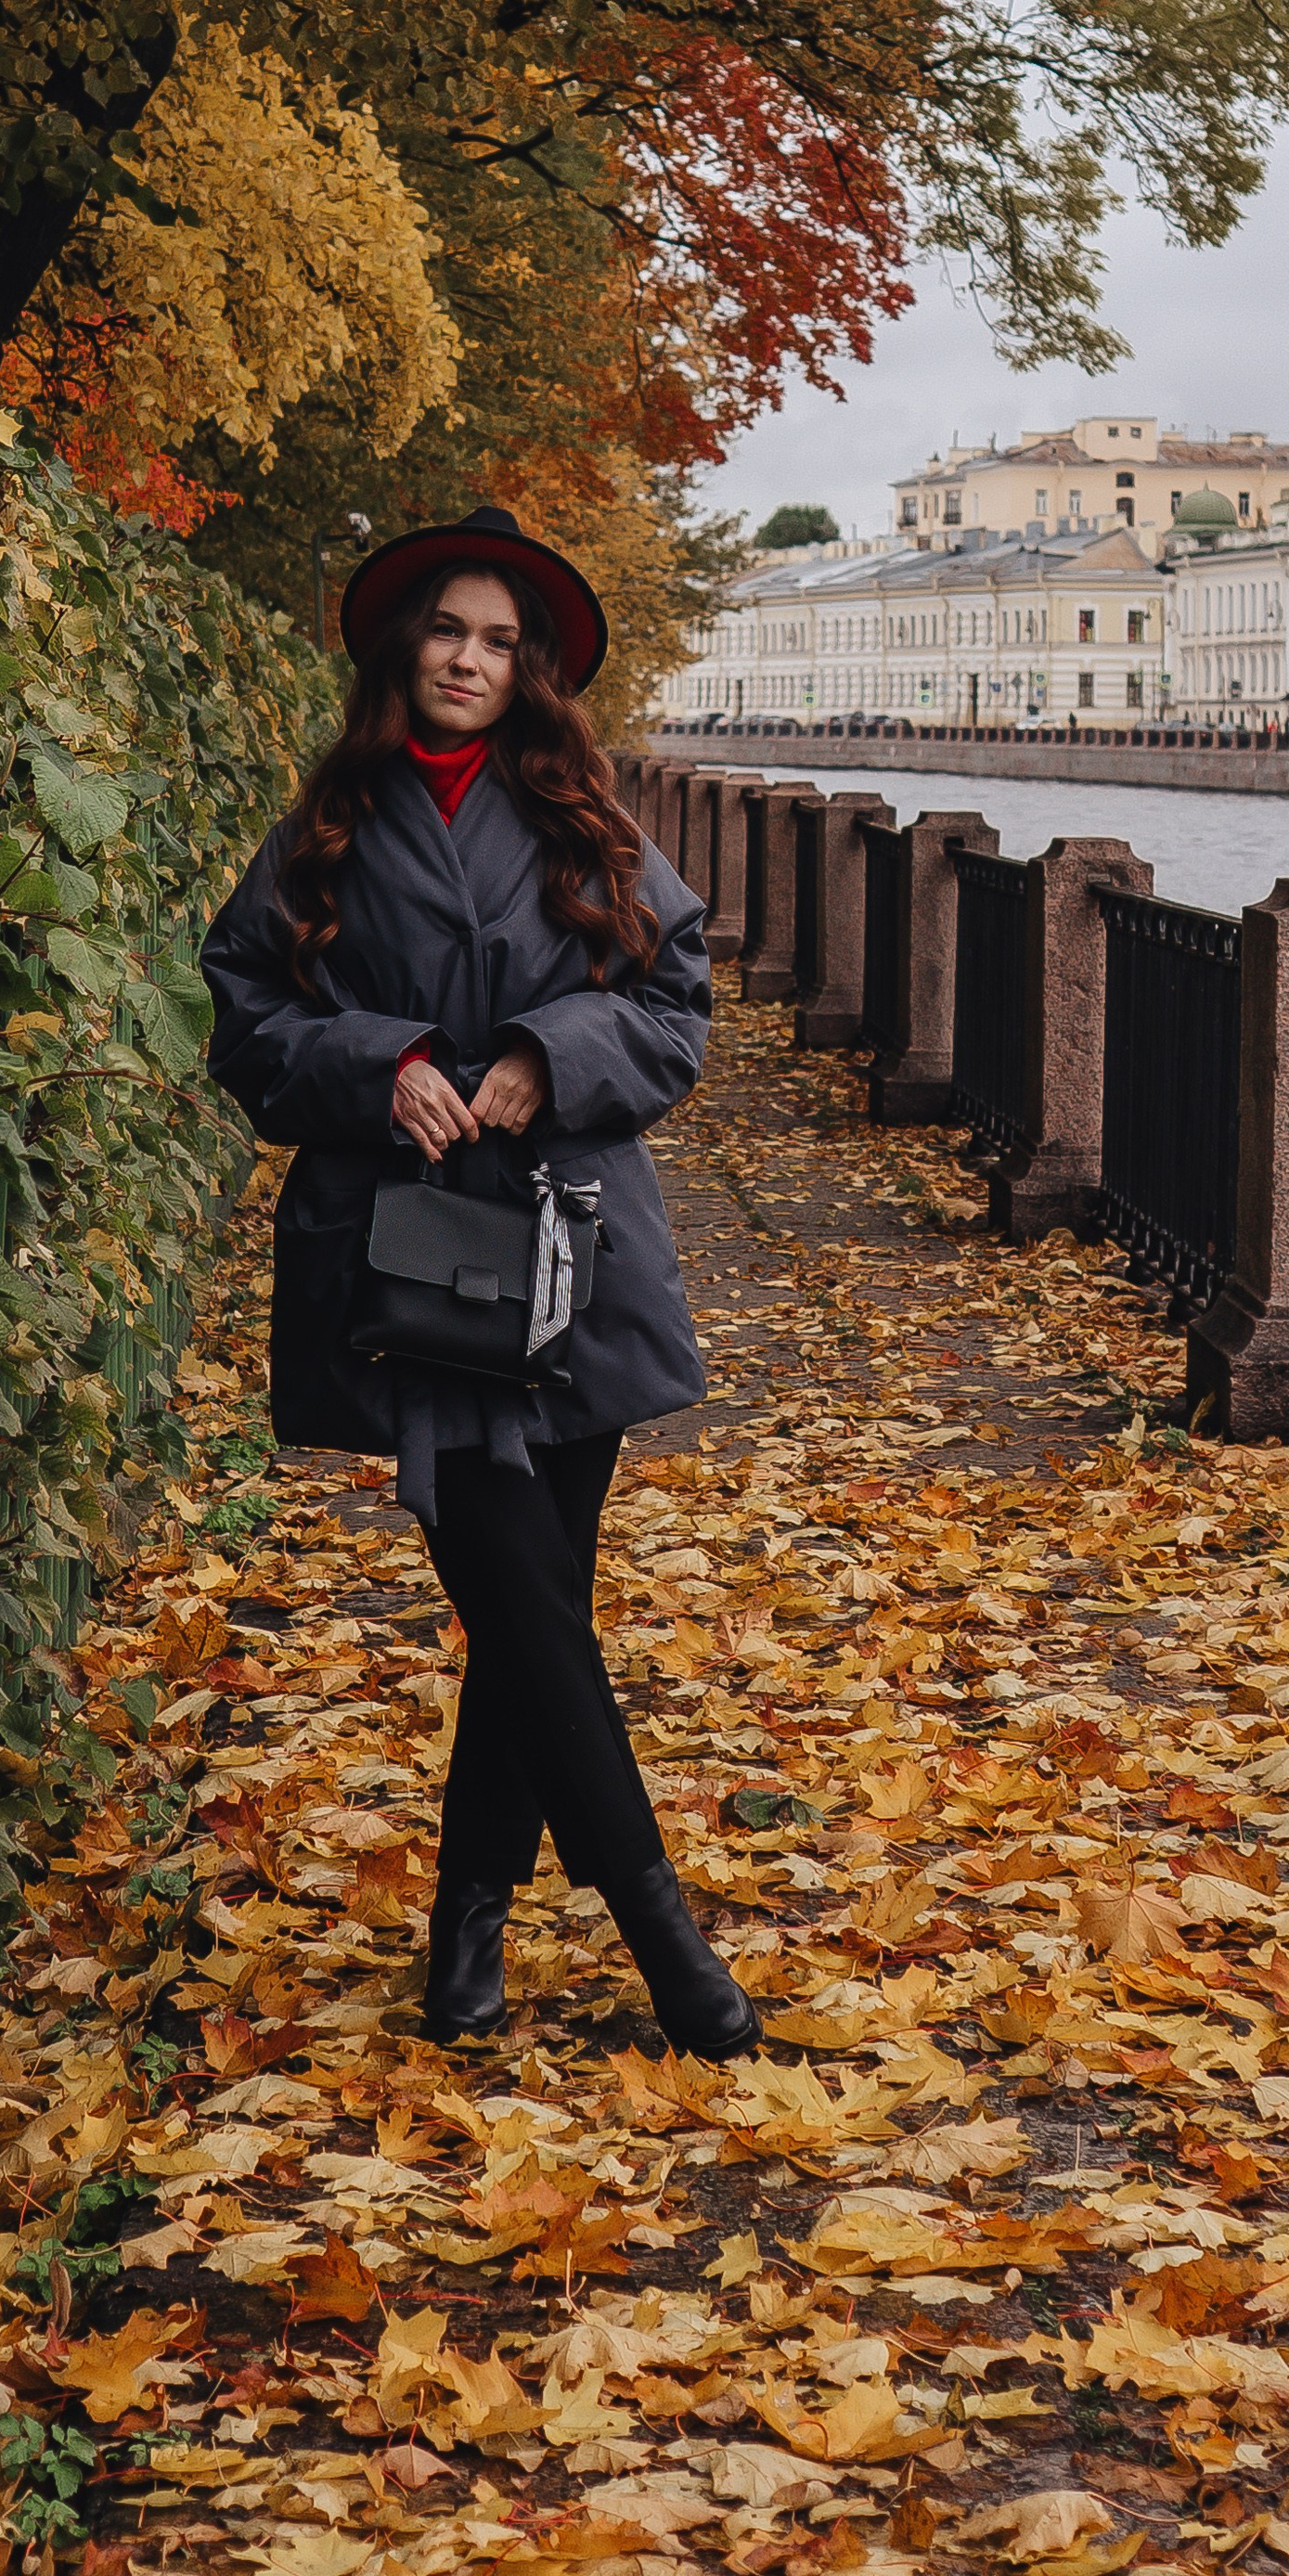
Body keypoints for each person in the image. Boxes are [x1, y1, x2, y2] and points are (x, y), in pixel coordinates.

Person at [199, 506, 758, 2061]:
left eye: (501, 641)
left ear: (534, 671)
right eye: (449, 630)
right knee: (521, 1600)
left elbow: (674, 1012)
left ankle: (468, 1937)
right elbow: (244, 1019)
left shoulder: (584, 819)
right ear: (403, 647)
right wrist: (379, 1068)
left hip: (574, 1257)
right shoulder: (330, 819)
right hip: (408, 1261)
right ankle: (666, 1943)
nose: (470, 659)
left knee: (535, 1616)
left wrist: (537, 1057)